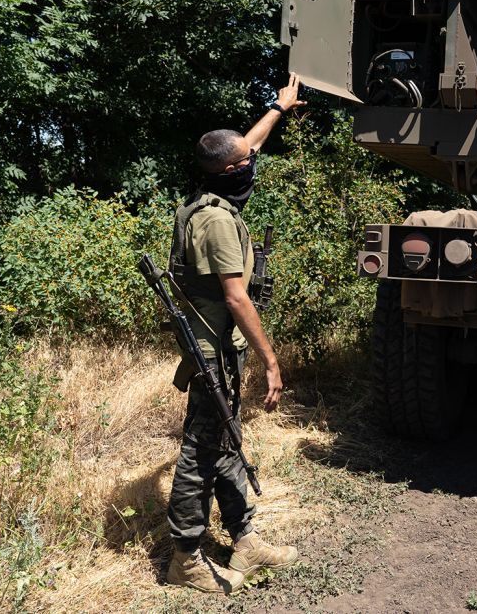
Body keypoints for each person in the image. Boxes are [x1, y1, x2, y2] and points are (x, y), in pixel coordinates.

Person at [164, 72, 307, 594]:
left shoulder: (211, 194)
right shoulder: (218, 222)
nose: (253, 163)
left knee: (226, 437)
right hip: (212, 347)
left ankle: (244, 536)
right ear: (227, 171)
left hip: (220, 345)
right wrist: (272, 360)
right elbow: (235, 297)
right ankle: (184, 557)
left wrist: (279, 107)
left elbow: (248, 145)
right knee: (201, 450)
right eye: (245, 163)